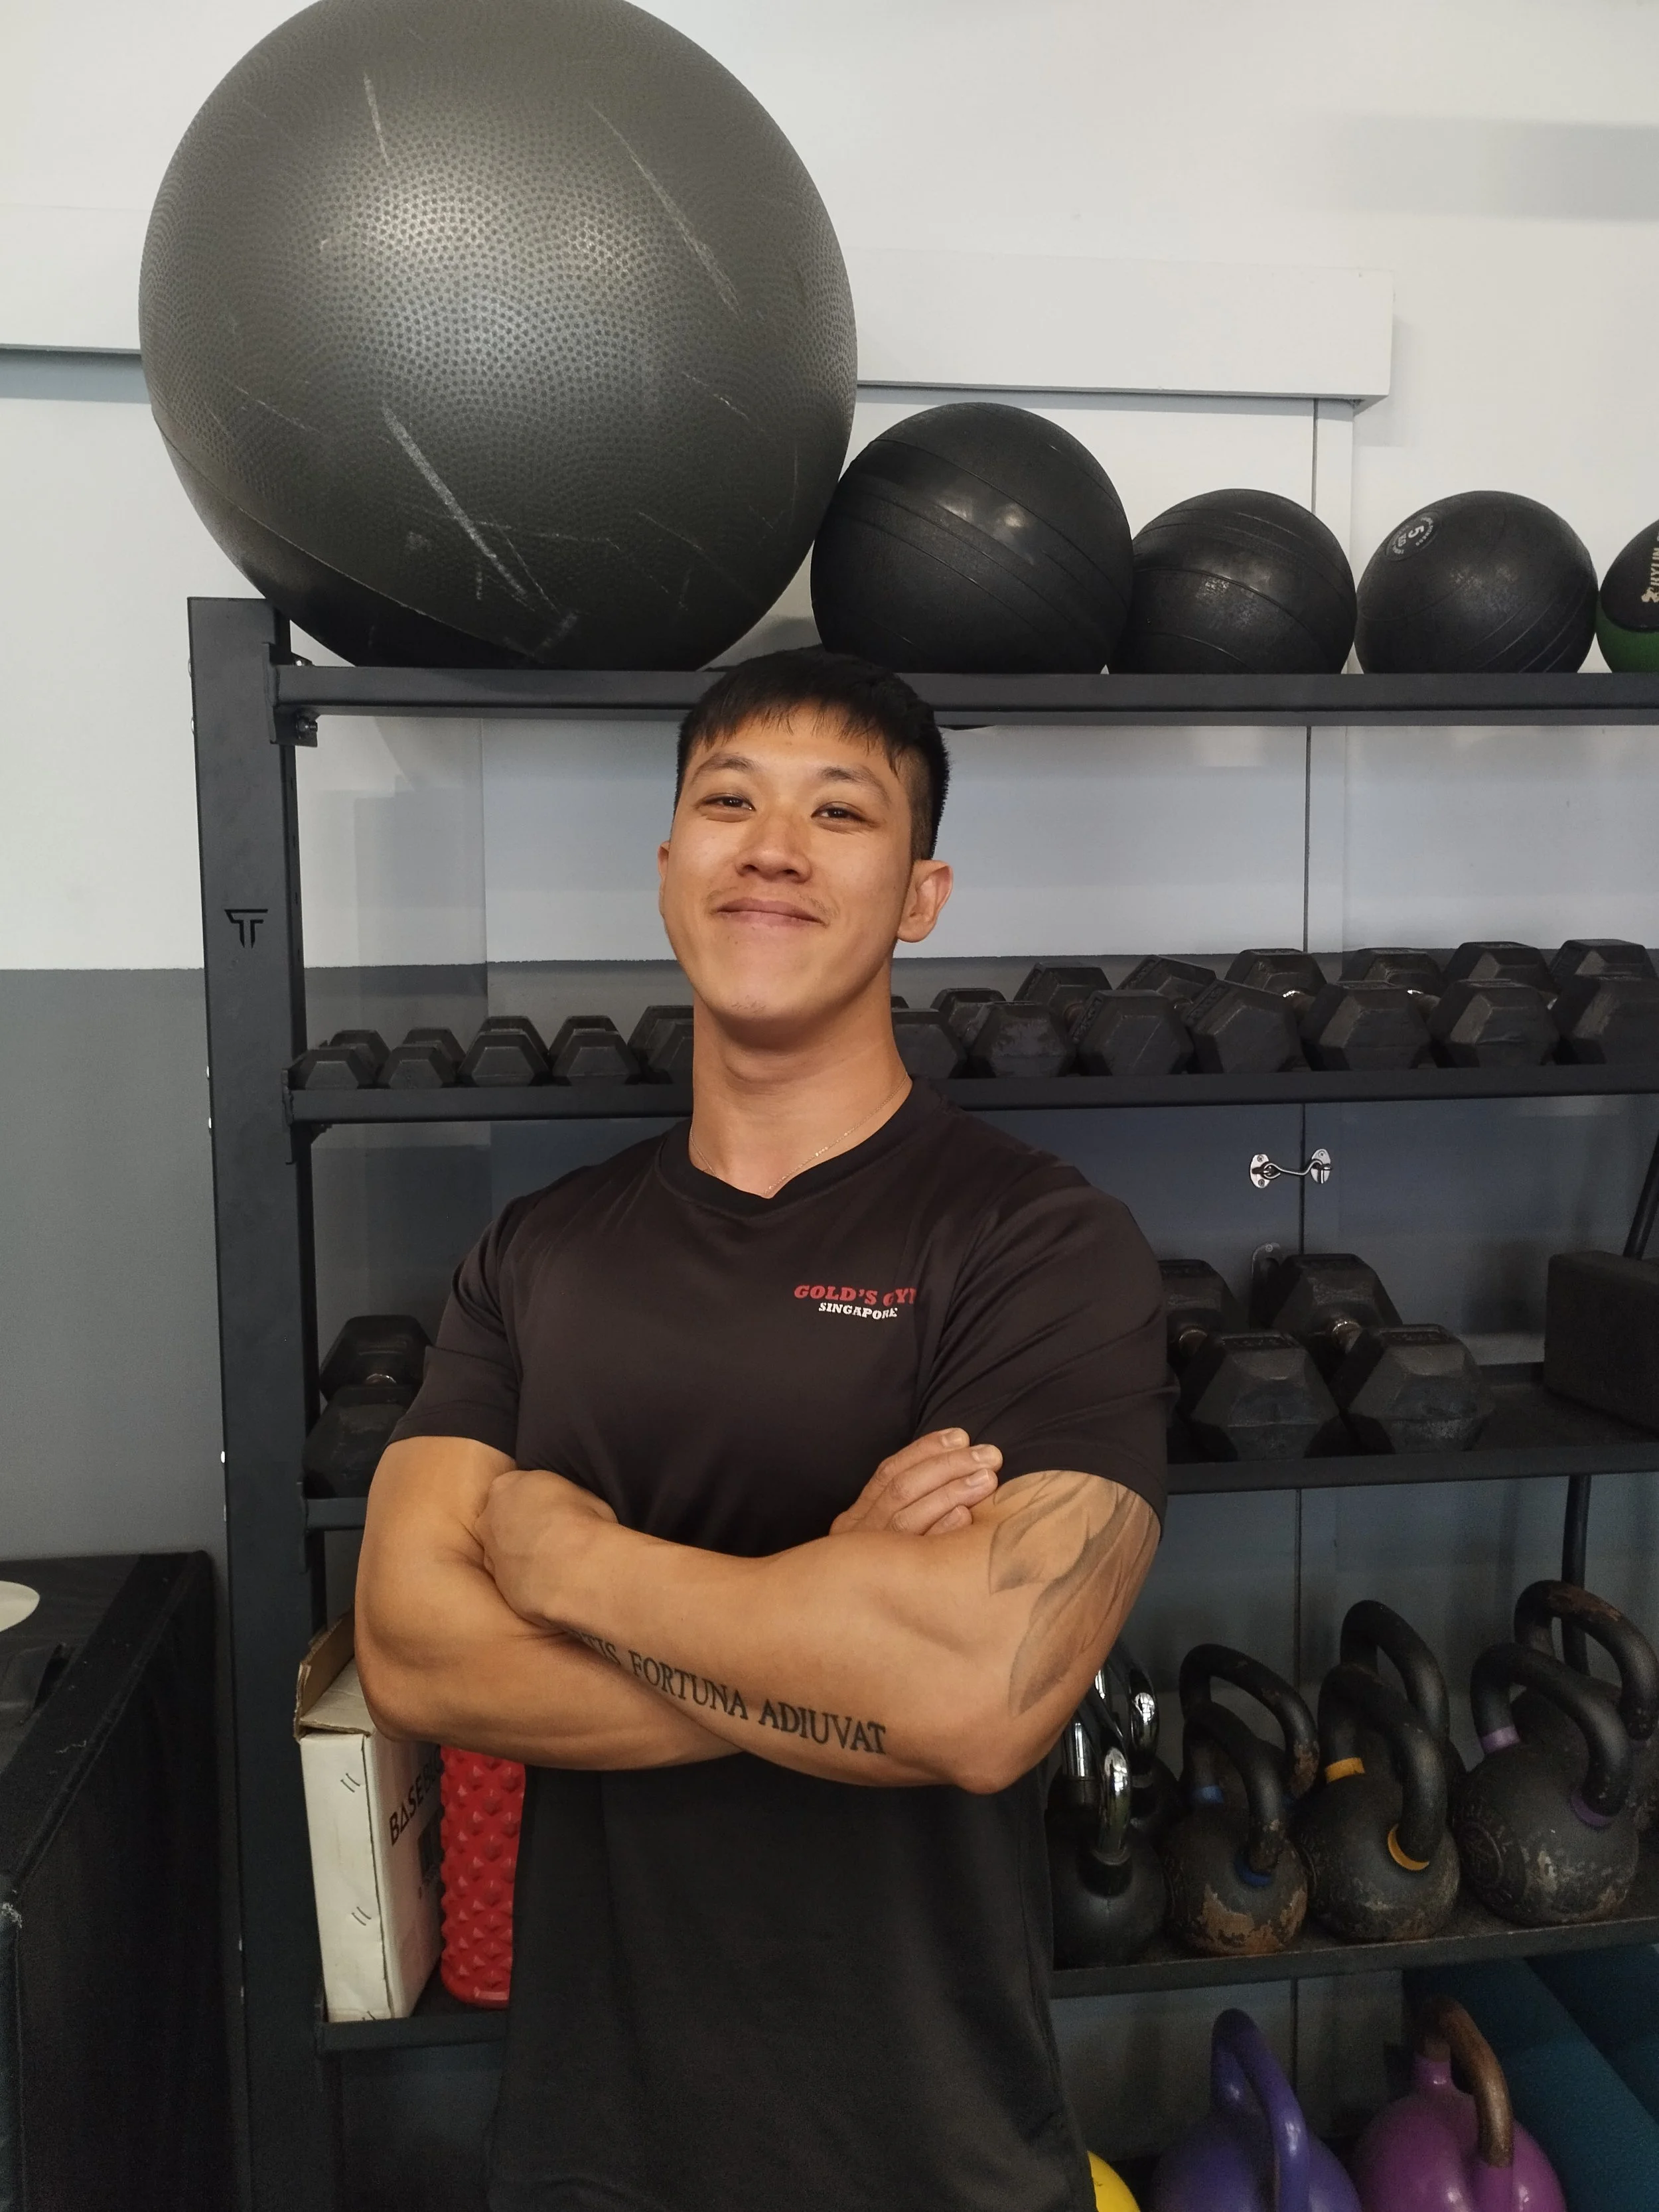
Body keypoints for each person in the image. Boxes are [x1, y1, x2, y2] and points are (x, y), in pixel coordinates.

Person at [356, 647, 1165, 2212]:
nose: (771, 844)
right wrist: (830, 1604)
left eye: (839, 812)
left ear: (920, 894)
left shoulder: (1037, 1244)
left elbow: (981, 1691)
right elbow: (414, 1649)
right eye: (725, 800)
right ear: (669, 869)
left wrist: (569, 1556)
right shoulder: (537, 1251)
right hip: (596, 2145)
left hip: (928, 2145)